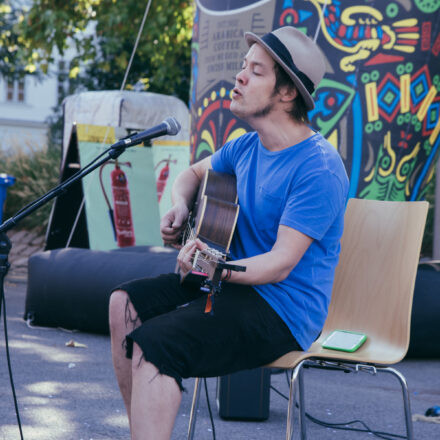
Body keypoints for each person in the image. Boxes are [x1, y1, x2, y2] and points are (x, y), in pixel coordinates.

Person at [109, 26, 349, 439]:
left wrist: (212, 265)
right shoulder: (245, 146)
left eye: (255, 71)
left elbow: (279, 264)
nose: (239, 77)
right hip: (229, 282)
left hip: (282, 310)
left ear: (287, 93)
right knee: (124, 303)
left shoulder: (318, 168)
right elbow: (191, 175)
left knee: (158, 344)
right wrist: (181, 205)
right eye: (243, 67)